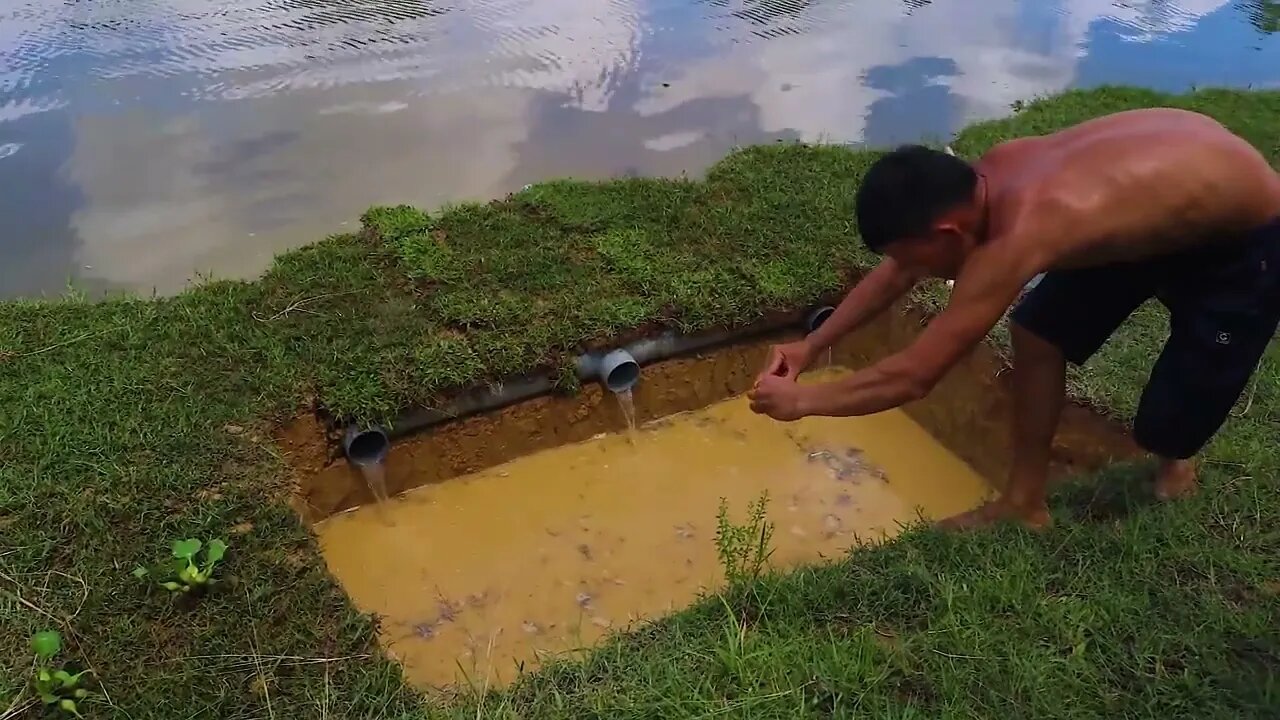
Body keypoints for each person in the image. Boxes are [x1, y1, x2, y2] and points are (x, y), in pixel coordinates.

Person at [747, 107, 1280, 529]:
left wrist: (802, 401)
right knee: (1036, 331)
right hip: (1166, 206)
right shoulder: (987, 178)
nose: (908, 270)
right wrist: (812, 347)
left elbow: (915, 374)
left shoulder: (1020, 232)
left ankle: (1175, 460)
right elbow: (897, 273)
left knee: (1163, 428)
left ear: (948, 235)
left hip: (1246, 238)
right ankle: (1025, 503)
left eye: (914, 256)